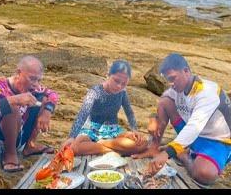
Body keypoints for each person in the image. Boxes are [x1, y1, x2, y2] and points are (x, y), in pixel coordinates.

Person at [133, 53, 231, 185]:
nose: (171, 84)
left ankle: (183, 155)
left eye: (173, 78)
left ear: (186, 71)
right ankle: (154, 147)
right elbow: (163, 102)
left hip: (217, 141)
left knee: (204, 174)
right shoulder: (177, 87)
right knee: (165, 102)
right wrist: (153, 119)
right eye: (168, 80)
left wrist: (168, 153)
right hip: (194, 135)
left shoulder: (207, 93)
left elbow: (194, 127)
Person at [0, 56, 59, 172]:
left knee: (42, 98)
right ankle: (10, 157)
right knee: (11, 107)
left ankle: (29, 146)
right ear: (18, 73)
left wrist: (47, 112)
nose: (36, 85)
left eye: (39, 80)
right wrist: (13, 100)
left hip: (17, 137)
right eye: (32, 79)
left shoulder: (33, 88)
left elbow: (52, 94)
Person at [64, 60, 148, 156]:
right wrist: (72, 137)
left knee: (143, 143)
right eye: (116, 81)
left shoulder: (122, 92)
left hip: (113, 130)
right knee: (75, 147)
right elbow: (82, 115)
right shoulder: (95, 92)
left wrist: (135, 131)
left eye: (123, 83)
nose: (119, 86)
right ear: (108, 75)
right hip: (91, 130)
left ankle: (101, 144)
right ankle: (114, 149)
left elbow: (129, 112)